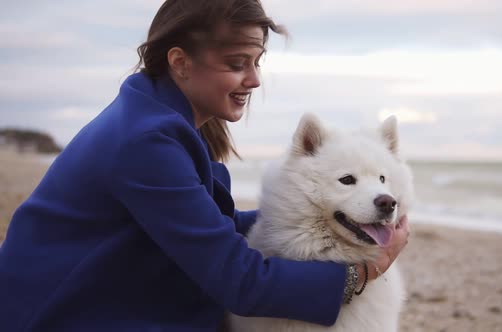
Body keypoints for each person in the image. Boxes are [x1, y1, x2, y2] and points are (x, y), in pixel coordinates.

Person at [0, 0, 410, 330]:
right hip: (65, 314)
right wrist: (365, 271)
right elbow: (241, 282)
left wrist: (299, 219)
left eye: (257, 62)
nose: (254, 80)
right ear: (180, 63)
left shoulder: (155, 119)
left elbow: (204, 227)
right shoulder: (145, 143)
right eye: (237, 64)